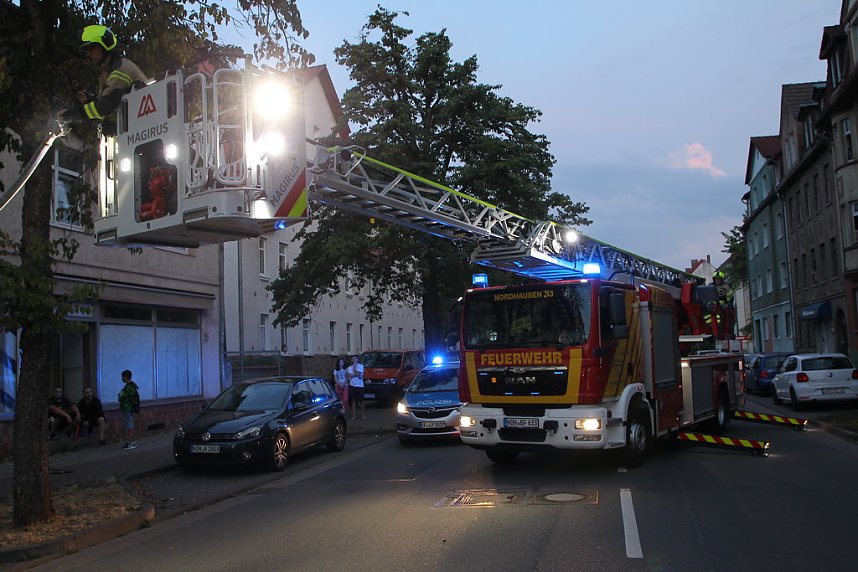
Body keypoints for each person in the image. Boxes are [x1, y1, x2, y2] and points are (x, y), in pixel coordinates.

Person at [60, 24, 148, 135]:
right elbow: (112, 103)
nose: (88, 54)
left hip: (142, 130)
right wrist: (89, 101)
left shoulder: (120, 68)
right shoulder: (108, 70)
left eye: (91, 48)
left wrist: (70, 115)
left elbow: (105, 106)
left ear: (104, 44)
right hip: (137, 130)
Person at [118, 369, 141, 450]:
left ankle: (131, 442)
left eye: (122, 377)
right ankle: (133, 441)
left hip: (128, 408)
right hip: (129, 408)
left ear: (125, 377)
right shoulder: (131, 386)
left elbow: (121, 397)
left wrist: (120, 395)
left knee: (129, 425)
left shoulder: (129, 387)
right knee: (130, 424)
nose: (121, 379)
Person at [347, 355, 366, 421]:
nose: (354, 360)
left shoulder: (361, 366)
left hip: (360, 386)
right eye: (353, 359)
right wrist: (354, 375)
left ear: (357, 359)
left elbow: (357, 374)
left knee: (361, 401)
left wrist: (354, 369)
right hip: (352, 385)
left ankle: (363, 415)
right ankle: (354, 416)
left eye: (355, 359)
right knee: (353, 401)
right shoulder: (349, 367)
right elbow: (349, 375)